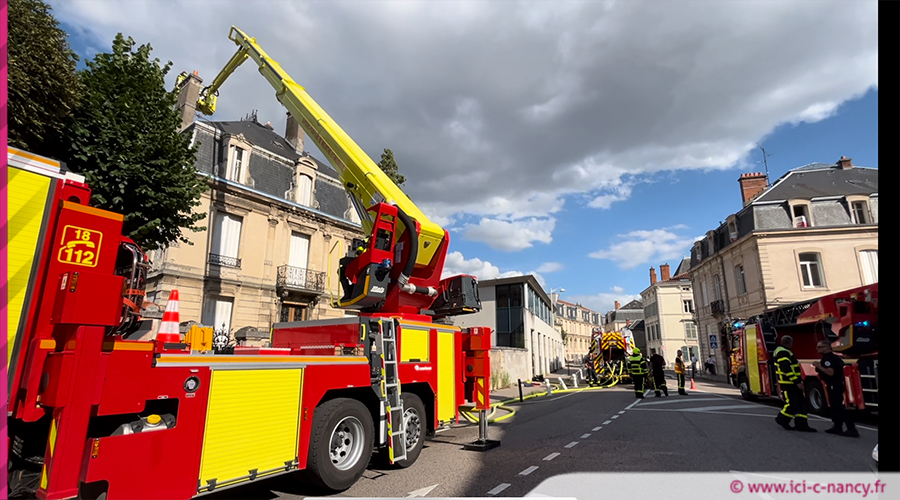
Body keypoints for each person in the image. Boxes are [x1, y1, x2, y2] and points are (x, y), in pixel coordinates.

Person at [813, 341, 859, 437]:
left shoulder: (828, 359)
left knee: (838, 407)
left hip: (834, 384)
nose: (817, 349)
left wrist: (818, 366)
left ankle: (851, 428)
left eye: (819, 347)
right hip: (835, 384)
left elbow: (830, 372)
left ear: (827, 347)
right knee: (834, 407)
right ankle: (837, 426)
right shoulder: (834, 358)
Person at [773, 336, 816, 432]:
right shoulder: (782, 352)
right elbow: (786, 368)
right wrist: (797, 382)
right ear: (790, 343)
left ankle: (801, 424)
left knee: (801, 404)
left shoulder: (783, 351)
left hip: (791, 382)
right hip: (789, 383)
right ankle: (782, 419)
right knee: (793, 403)